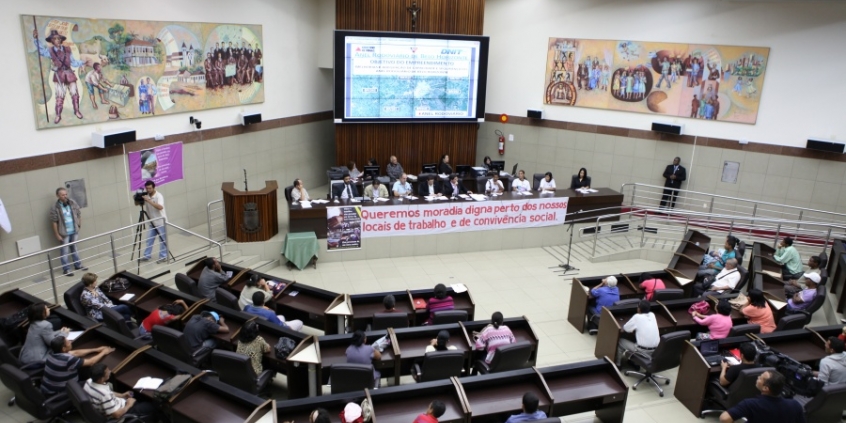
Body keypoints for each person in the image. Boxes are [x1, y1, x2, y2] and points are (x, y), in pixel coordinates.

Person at [32, 29, 85, 124]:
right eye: (54, 39)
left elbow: (73, 62)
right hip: (59, 75)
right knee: (59, 97)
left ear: (61, 39)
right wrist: (36, 39)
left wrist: (82, 62)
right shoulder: (50, 51)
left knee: (75, 94)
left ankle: (77, 111)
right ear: (51, 41)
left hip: (69, 74)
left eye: (58, 38)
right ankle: (58, 115)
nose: (57, 40)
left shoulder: (68, 49)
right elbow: (42, 52)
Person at [719, 370, 806, 423]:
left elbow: (724, 418)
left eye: (761, 378)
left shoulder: (750, 404)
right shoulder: (795, 405)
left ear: (765, 388)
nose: (758, 377)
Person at [84, 363, 161, 422]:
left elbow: (109, 393)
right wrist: (129, 405)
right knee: (153, 406)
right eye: (107, 372)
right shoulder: (104, 395)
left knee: (138, 396)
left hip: (117, 403)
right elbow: (116, 415)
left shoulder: (89, 381)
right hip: (122, 413)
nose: (110, 372)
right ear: (101, 379)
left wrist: (122, 395)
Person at [41, 336, 114, 396]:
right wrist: (104, 352)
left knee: (84, 370)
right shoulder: (68, 360)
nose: (70, 342)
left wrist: (96, 349)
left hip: (47, 388)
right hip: (60, 393)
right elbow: (91, 362)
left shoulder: (52, 354)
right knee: (95, 380)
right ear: (63, 348)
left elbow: (75, 352)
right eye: (68, 342)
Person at [51, 187, 86, 277]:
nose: (65, 196)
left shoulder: (72, 202)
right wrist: (57, 234)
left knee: (74, 248)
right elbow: (54, 222)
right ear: (57, 196)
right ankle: (66, 269)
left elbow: (78, 214)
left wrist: (79, 225)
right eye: (62, 195)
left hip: (74, 230)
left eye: (66, 194)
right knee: (64, 251)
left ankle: (78, 265)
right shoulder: (55, 207)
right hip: (64, 232)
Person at [616, 300, 660, 366]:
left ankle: (617, 365)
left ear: (639, 309)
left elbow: (626, 328)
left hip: (642, 350)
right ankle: (635, 363)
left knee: (621, 341)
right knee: (635, 339)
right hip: (656, 350)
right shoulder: (652, 315)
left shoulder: (637, 317)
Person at [141, 180, 168, 263]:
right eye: (147, 188)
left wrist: (148, 200)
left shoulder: (159, 196)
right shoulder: (146, 195)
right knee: (149, 240)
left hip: (160, 222)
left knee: (162, 240)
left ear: (153, 187)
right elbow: (137, 203)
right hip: (152, 223)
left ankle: (163, 257)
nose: (148, 190)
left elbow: (160, 207)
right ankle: (147, 256)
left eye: (150, 188)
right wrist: (138, 198)